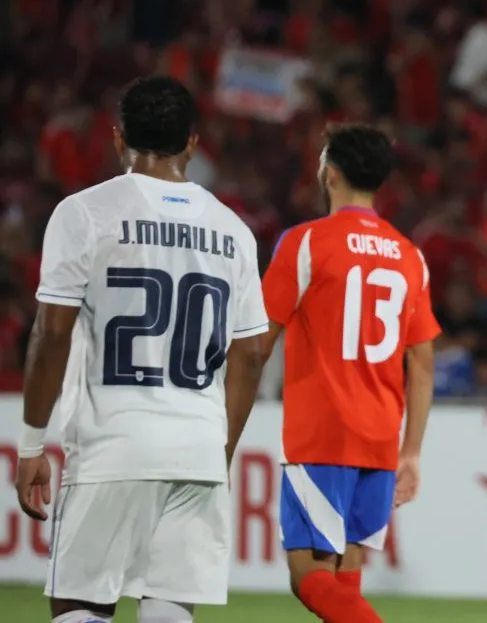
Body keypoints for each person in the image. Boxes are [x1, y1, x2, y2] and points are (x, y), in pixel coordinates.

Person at [15, 76, 268, 623]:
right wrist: (216, 454)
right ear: (193, 143)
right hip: (198, 447)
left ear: (117, 137)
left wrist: (32, 443)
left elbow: (52, 333)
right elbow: (249, 355)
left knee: (80, 603)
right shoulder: (234, 232)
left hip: (115, 444)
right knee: (169, 607)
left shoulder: (85, 213)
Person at [260, 124, 440, 623]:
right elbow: (423, 361)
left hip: (322, 433)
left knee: (309, 577)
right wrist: (412, 450)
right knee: (344, 582)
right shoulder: (410, 256)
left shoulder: (304, 242)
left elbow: (258, 341)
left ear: (329, 171)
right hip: (380, 438)